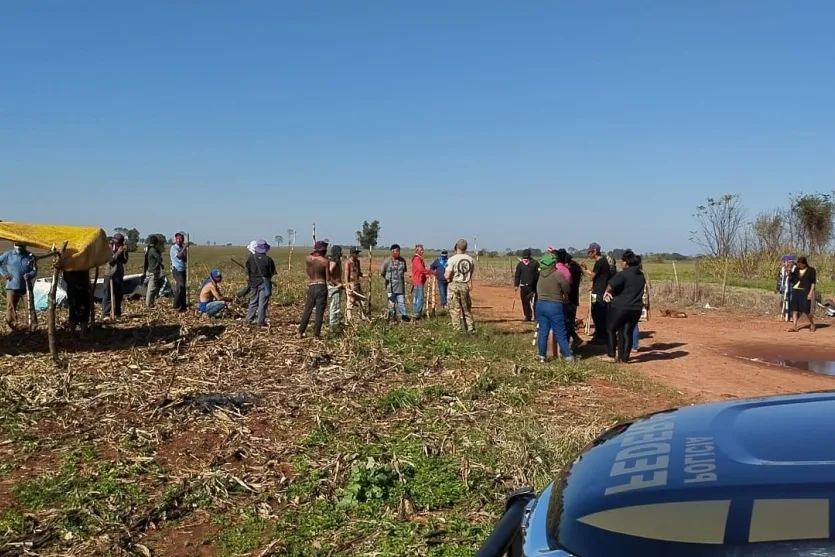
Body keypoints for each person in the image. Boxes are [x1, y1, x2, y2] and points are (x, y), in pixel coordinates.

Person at [603, 249, 646, 363]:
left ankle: (611, 355)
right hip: (636, 308)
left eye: (622, 262)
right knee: (628, 332)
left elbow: (610, 286)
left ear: (626, 262)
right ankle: (625, 358)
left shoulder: (622, 274)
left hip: (620, 307)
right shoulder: (641, 275)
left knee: (610, 329)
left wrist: (607, 293)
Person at [535, 252, 573, 362]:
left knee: (543, 332)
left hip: (540, 304)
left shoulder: (540, 274)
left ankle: (542, 356)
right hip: (554, 305)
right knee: (560, 332)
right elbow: (567, 288)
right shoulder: (557, 274)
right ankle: (567, 357)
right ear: (553, 263)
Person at [580, 242, 613, 344]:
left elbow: (591, 277)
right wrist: (586, 268)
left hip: (598, 292)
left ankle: (601, 335)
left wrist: (583, 271)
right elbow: (595, 275)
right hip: (597, 291)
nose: (589, 254)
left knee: (598, 312)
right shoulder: (602, 262)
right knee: (595, 311)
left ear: (595, 251)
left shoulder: (600, 262)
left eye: (590, 252)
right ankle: (599, 332)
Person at [0, 243, 37, 331]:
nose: (19, 247)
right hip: (12, 286)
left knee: (30, 307)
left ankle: (32, 327)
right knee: (10, 307)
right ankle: (13, 326)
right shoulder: (8, 254)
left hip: (26, 287)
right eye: (17, 245)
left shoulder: (30, 256)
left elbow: (34, 270)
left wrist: (30, 275)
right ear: (14, 245)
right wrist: (4, 273)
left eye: (21, 245)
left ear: (25, 246)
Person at [299, 241, 330, 338]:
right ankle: (316, 335)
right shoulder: (325, 261)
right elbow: (328, 278)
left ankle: (300, 332)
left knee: (307, 310)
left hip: (312, 285)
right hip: (321, 286)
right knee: (319, 312)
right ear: (324, 250)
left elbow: (308, 271)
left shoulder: (308, 259)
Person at [445, 239, 476, 332]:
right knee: (466, 309)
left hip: (454, 284)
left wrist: (448, 278)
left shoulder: (452, 259)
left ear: (456, 247)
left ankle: (457, 330)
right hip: (465, 285)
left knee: (454, 309)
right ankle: (471, 329)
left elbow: (447, 275)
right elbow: (471, 273)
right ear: (466, 247)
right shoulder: (471, 260)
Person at [245, 240, 276, 327]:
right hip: (264, 283)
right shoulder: (268, 260)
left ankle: (249, 319)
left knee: (253, 301)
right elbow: (272, 273)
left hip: (253, 283)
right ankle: (260, 322)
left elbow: (247, 271)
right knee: (262, 303)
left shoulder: (251, 258)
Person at [557, 249, 584, 348]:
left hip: (569, 299)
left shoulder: (570, 270)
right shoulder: (573, 268)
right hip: (572, 298)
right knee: (568, 322)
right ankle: (573, 340)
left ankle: (570, 342)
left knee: (568, 322)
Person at [102, 233, 129, 320]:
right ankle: (106, 314)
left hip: (119, 273)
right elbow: (110, 261)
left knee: (118, 295)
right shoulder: (108, 248)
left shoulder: (121, 248)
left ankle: (117, 313)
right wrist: (118, 252)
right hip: (109, 273)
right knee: (107, 294)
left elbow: (124, 261)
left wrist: (125, 253)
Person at [381, 244, 410, 322]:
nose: (398, 253)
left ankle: (404, 317)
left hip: (400, 286)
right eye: (396, 251)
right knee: (391, 304)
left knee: (401, 302)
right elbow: (382, 273)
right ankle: (392, 318)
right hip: (390, 287)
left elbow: (404, 272)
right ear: (392, 251)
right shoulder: (387, 262)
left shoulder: (403, 261)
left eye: (399, 251)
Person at [788, 256, 816, 332]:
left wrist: (810, 293)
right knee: (795, 309)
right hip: (796, 290)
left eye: (800, 264)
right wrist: (789, 271)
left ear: (804, 264)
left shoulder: (811, 270)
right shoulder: (796, 270)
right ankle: (794, 326)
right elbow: (791, 279)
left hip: (805, 291)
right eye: (798, 264)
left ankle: (812, 323)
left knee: (806, 310)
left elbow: (813, 282)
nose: (799, 266)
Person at [631, 255, 651, 351]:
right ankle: (634, 345)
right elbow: (646, 291)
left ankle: (633, 345)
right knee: (634, 324)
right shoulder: (641, 275)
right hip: (640, 302)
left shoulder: (633, 275)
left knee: (632, 325)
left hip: (633, 302)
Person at [514, 249, 539, 322]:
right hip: (523, 286)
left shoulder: (535, 263)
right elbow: (517, 275)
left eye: (527, 257)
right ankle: (528, 316)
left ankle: (536, 317)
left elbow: (538, 274)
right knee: (524, 302)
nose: (525, 259)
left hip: (533, 287)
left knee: (534, 302)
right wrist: (516, 285)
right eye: (524, 258)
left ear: (530, 256)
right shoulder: (520, 265)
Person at [63, 269, 91, 335]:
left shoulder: (68, 263)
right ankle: (79, 333)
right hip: (79, 288)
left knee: (75, 311)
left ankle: (76, 333)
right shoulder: (80, 263)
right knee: (78, 311)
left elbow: (65, 277)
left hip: (74, 288)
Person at [345, 247, 368, 322]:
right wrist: (348, 288)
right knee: (350, 302)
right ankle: (349, 319)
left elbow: (359, 273)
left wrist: (367, 275)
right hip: (351, 285)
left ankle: (364, 317)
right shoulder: (348, 263)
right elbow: (346, 276)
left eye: (358, 253)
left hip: (357, 284)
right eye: (356, 253)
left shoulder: (357, 262)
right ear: (352, 254)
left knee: (363, 301)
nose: (358, 255)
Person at [410, 244, 433, 320]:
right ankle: (417, 314)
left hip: (418, 280)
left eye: (423, 250)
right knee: (420, 298)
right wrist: (430, 272)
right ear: (417, 251)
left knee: (417, 297)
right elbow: (421, 269)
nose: (422, 251)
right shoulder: (417, 259)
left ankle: (416, 313)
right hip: (418, 281)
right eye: (421, 250)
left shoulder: (418, 259)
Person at [327, 245, 346, 332]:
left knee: (335, 305)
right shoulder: (333, 262)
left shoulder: (336, 261)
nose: (341, 253)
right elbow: (328, 274)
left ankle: (335, 323)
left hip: (337, 286)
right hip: (334, 287)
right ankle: (333, 325)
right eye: (340, 251)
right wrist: (337, 283)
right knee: (335, 306)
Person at [143, 236, 164, 307]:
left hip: (150, 270)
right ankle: (148, 304)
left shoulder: (149, 249)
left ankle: (151, 302)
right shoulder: (153, 250)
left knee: (152, 288)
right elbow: (159, 258)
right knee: (151, 289)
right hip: (153, 272)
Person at [170, 232, 189, 312]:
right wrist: (185, 247)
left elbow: (185, 259)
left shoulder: (182, 248)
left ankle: (183, 305)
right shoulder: (174, 248)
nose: (178, 240)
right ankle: (176, 305)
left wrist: (185, 251)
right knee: (180, 287)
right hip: (177, 270)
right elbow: (179, 255)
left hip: (183, 269)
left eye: (180, 238)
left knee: (183, 288)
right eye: (177, 238)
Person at [776, 255, 796, 322]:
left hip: (792, 288)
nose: (784, 263)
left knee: (791, 301)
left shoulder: (795, 269)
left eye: (785, 262)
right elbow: (780, 279)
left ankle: (791, 315)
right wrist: (778, 288)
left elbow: (793, 279)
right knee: (783, 301)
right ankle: (784, 315)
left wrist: (789, 273)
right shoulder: (782, 269)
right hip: (784, 287)